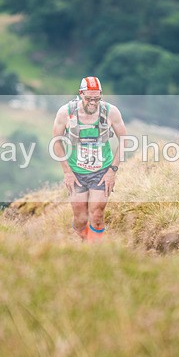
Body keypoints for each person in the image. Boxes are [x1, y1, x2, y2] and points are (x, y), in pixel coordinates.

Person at [52, 76, 128, 241]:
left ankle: (95, 252)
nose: (93, 103)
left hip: (101, 172)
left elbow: (125, 140)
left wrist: (112, 171)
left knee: (97, 215)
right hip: (76, 173)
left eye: (97, 98)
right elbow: (56, 142)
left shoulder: (111, 112)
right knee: (80, 219)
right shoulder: (66, 113)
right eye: (88, 99)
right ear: (80, 94)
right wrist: (67, 172)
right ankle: (85, 243)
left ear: (101, 95)